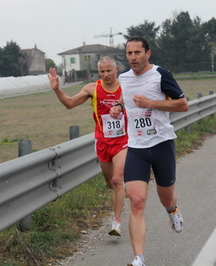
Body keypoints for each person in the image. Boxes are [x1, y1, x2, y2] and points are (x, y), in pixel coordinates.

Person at [110, 36, 188, 266]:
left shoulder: (160, 74)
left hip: (162, 144)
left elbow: (183, 104)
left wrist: (150, 103)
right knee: (136, 201)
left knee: (166, 198)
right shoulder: (123, 78)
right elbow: (126, 98)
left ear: (148, 53)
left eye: (137, 53)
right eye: (129, 53)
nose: (133, 57)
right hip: (136, 147)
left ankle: (172, 211)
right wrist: (118, 107)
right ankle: (139, 259)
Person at [48, 56, 127, 236]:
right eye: (102, 71)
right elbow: (70, 104)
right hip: (102, 143)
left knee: (117, 180)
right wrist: (57, 90)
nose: (106, 74)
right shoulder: (93, 89)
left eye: (109, 70)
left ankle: (116, 223)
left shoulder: (126, 88)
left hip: (123, 142)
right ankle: (120, 195)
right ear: (98, 72)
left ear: (116, 69)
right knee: (110, 183)